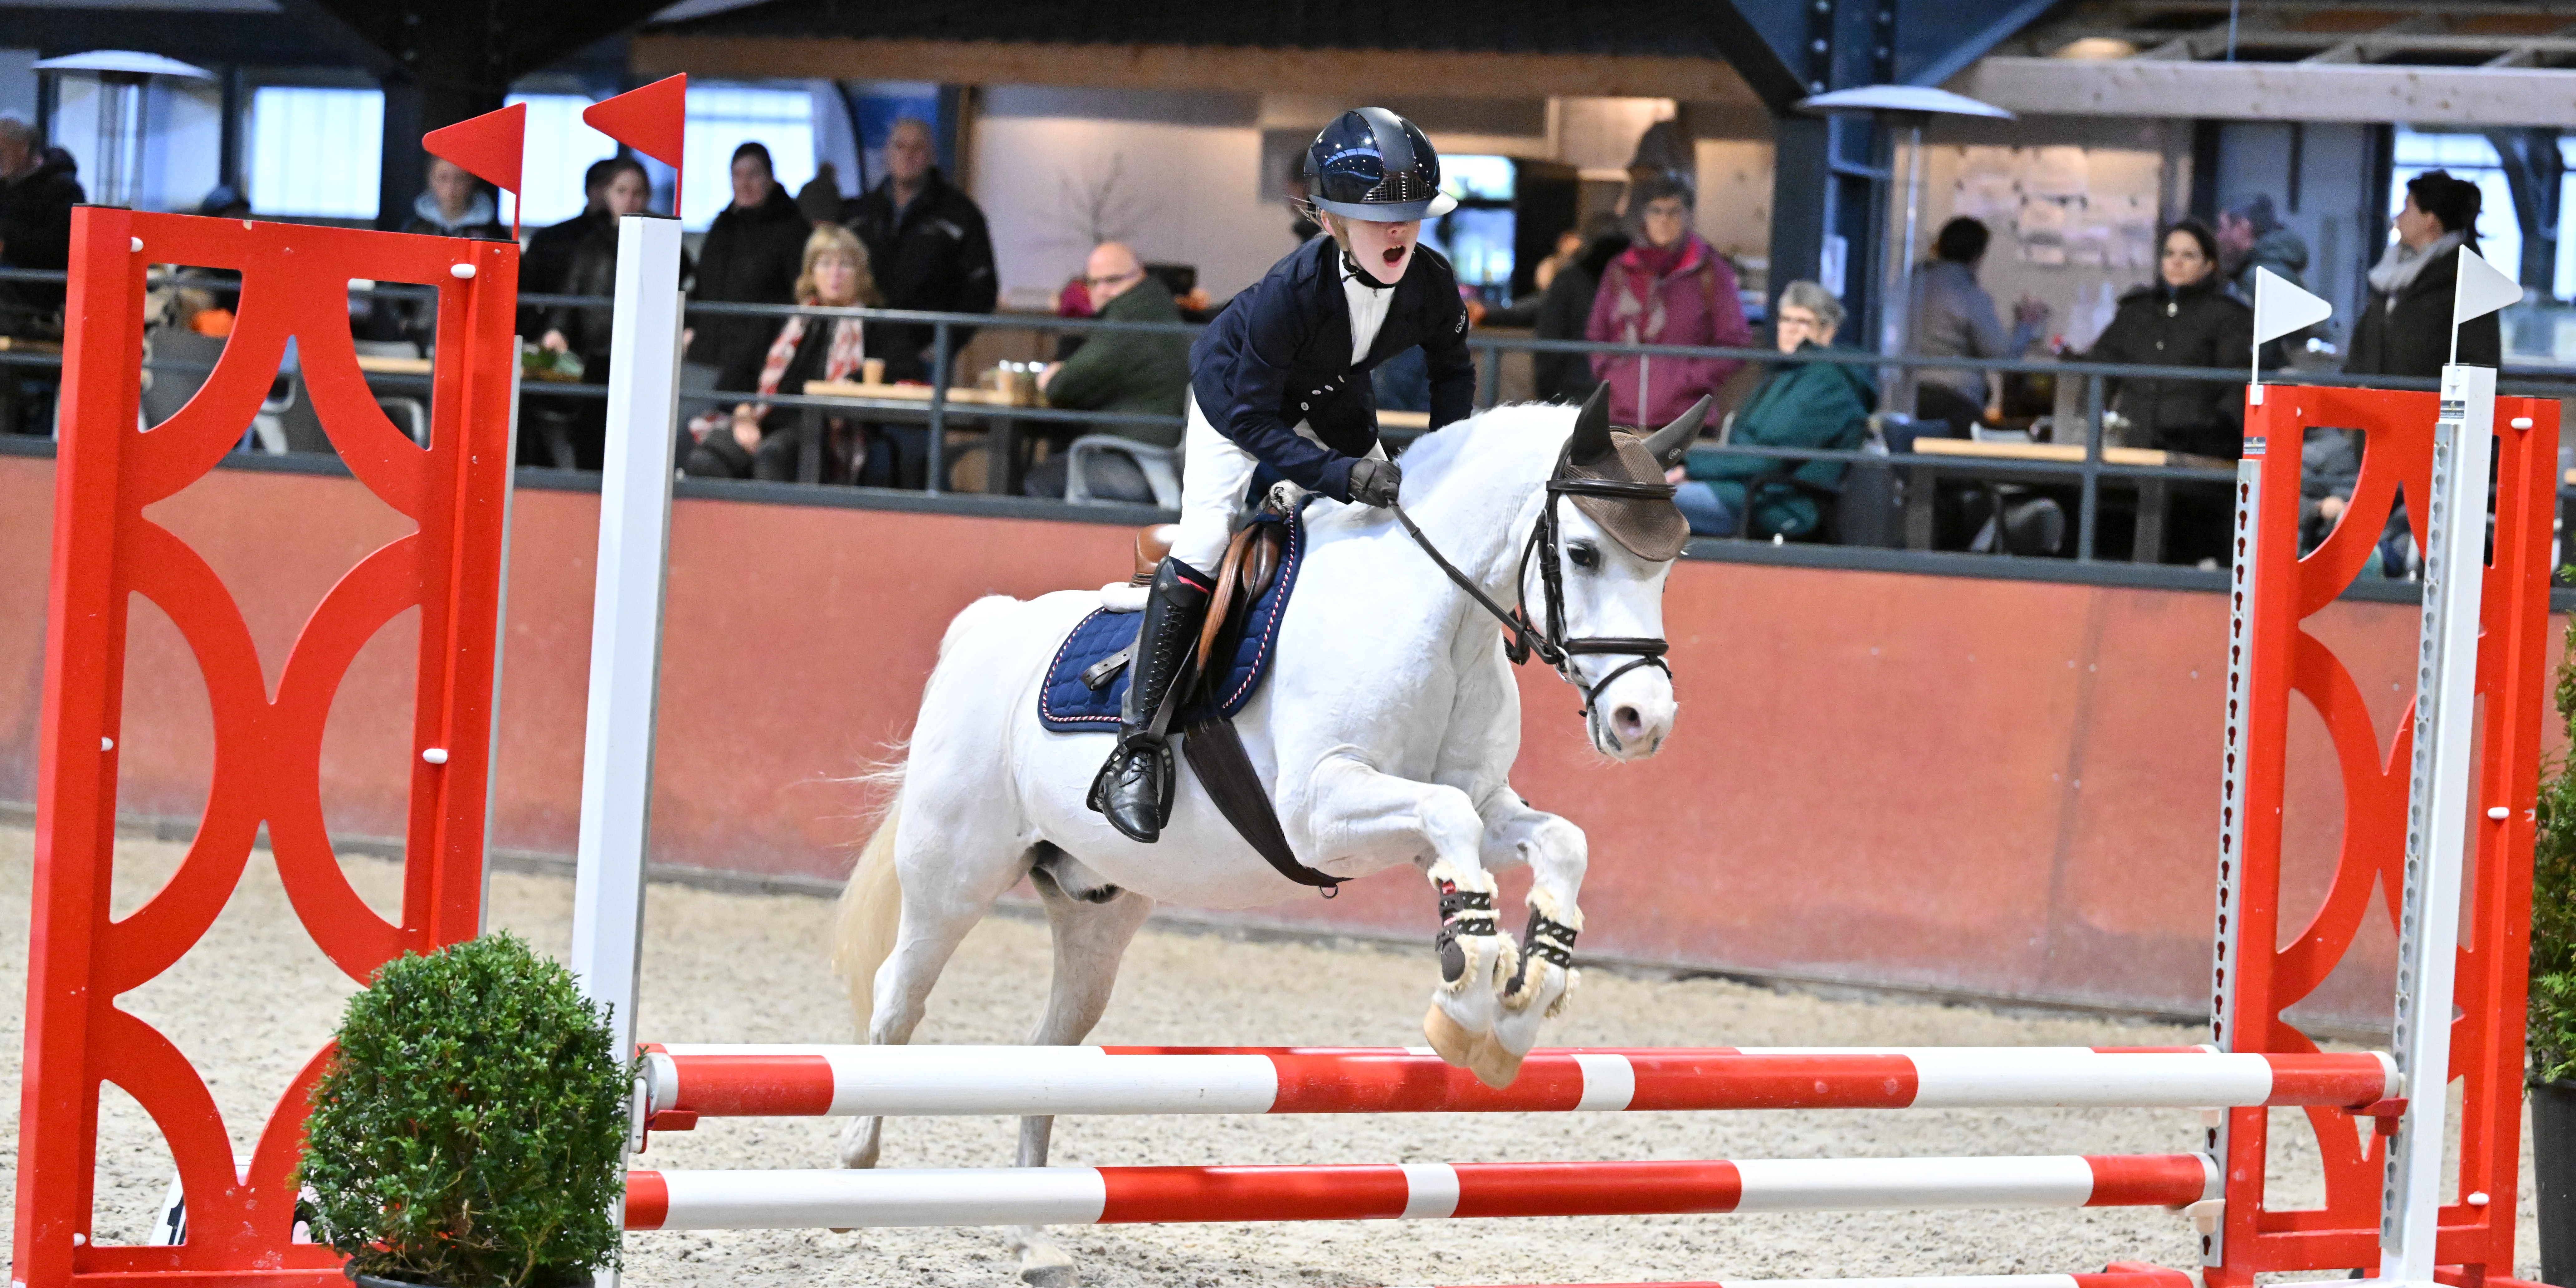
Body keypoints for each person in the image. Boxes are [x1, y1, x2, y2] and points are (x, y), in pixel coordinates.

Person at [1090, 106, 1474, 843]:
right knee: (1205, 536)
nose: (1398, 231)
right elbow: (1254, 423)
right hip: (1234, 398)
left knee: (1401, 518)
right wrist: (1337, 474)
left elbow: (1451, 372)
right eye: (1376, 217)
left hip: (1330, 388)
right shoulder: (1287, 293)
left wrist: (1442, 459)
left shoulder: (1431, 281)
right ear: (1330, 221)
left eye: (1409, 215)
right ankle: (1135, 747)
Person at [683, 224, 907, 483]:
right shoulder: (781, 320)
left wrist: (852, 386)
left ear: (861, 275)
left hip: (825, 429)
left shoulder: (877, 325)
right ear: (811, 272)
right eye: (825, 264)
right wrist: (744, 416)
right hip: (762, 418)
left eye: (845, 265)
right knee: (706, 461)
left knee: (773, 456)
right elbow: (736, 376)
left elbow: (904, 371)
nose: (835, 274)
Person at [1668, 280, 1873, 540]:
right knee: (1633, 491)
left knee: (1641, 499)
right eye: (1785, 320)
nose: (1790, 329)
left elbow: (1767, 457)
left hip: (1778, 503)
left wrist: (1692, 470)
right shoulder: (1785, 373)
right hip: (1745, 487)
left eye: (1803, 322)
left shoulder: (1827, 382)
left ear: (1827, 332)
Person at [1025, 241, 1191, 501]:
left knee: (1041, 480)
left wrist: (1051, 378)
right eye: (1094, 283)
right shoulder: (1155, 307)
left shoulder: (1129, 319)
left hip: (1138, 464)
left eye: (1113, 280)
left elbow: (1064, 387)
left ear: (1140, 276)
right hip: (1160, 458)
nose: (1102, 291)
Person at [1584, 173, 1749, 428]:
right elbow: (1597, 334)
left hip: (1686, 421)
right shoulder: (1620, 270)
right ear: (1644, 216)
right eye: (1656, 211)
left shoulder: (1710, 272)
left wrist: (1691, 381)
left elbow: (1735, 343)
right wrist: (1612, 377)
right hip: (1620, 418)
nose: (1664, 220)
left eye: (1674, 212)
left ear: (1689, 216)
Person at [2082, 220, 2253, 461]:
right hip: (2130, 446)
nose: (2176, 262)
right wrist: (2092, 425)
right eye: (2169, 253)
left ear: (2209, 265)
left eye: (2189, 255)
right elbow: (2099, 369)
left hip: (2193, 454)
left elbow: (2235, 387)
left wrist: (2212, 443)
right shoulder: (2136, 311)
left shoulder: (2228, 317)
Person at [843, 118, 998, 375]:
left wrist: (944, 344)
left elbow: (982, 289)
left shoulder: (960, 216)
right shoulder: (859, 215)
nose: (908, 156)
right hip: (861, 349)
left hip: (925, 356)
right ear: (887, 153)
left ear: (932, 156)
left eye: (918, 148)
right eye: (900, 147)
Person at [2347, 169, 2499, 378]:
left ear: (2430, 219)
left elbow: (2480, 356)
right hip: (2375, 402)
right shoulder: (2389, 277)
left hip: (2429, 405)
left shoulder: (2465, 278)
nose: (2398, 217)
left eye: (2407, 208)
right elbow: (2365, 344)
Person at [685, 142, 812, 380]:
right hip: (706, 355)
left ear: (771, 178)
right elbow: (703, 286)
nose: (744, 184)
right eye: (737, 175)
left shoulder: (792, 230)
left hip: (759, 363)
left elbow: (801, 293)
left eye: (753, 175)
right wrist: (691, 327)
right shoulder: (722, 228)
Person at [1909, 217, 2043, 437]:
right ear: (1977, 256)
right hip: (1954, 401)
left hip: (1906, 395)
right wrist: (2026, 324)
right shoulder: (1967, 294)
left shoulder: (1912, 283)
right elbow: (2003, 358)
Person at [0, 116, 84, 338]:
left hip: (40, 290)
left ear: (24, 148)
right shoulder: (6, 186)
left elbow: (61, 246)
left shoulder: (63, 190)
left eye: (3, 149)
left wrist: (8, 246)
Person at [1532, 212, 1625, 403]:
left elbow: (1550, 343)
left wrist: (1549, 395)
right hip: (1627, 399)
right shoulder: (1637, 281)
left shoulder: (1569, 281)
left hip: (1574, 394)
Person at [2216, 194, 2309, 296]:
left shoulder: (2259, 278)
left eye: (2222, 228)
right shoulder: (2274, 268)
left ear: (2242, 227)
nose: (2219, 237)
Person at [401, 157, 508, 240]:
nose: (451, 188)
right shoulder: (415, 230)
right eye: (444, 178)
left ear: (472, 181)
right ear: (430, 180)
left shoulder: (491, 234)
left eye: (460, 179)